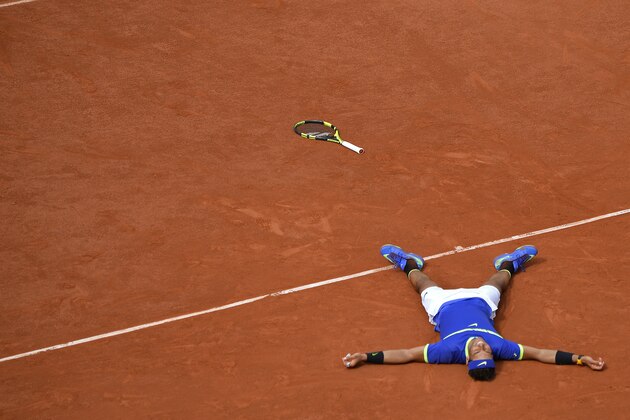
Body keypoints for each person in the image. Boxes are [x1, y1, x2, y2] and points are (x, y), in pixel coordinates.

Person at [342, 244, 605, 381]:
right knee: (499, 283)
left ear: (467, 360)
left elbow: (407, 355)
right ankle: (509, 264)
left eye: (480, 352)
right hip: (480, 303)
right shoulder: (502, 348)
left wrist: (366, 356)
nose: (484, 347)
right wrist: (579, 358)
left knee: (422, 283)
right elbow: (540, 354)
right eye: (487, 352)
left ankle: (408, 263)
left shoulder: (448, 352)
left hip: (443, 304)